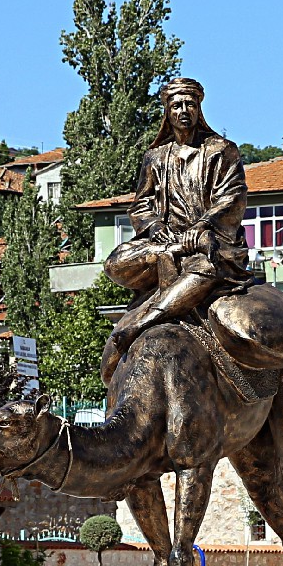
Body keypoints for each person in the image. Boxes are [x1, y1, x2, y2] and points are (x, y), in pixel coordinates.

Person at [100, 78, 257, 381]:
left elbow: (233, 196)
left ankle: (143, 323)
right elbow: (141, 203)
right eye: (176, 105)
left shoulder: (221, 151)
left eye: (190, 104)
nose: (184, 110)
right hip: (168, 245)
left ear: (199, 108)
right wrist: (154, 225)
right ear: (167, 111)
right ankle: (171, 263)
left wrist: (203, 226)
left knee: (204, 268)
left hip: (210, 244)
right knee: (117, 261)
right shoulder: (156, 157)